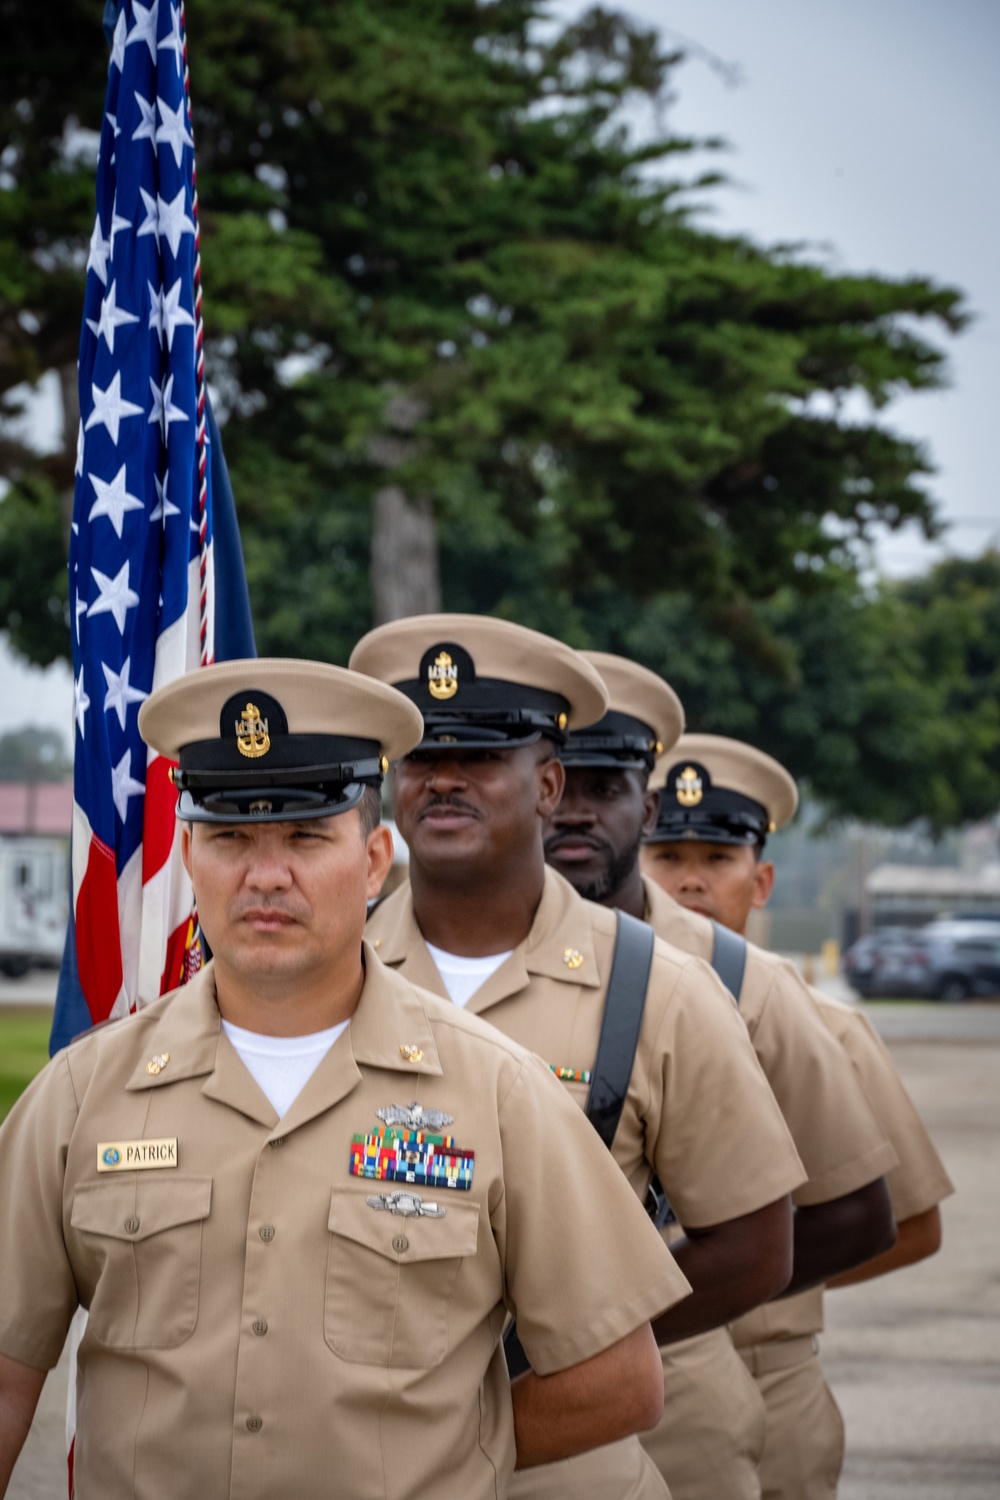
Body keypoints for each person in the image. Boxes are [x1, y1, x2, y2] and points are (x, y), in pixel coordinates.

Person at [0, 658, 690, 1500]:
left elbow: (618, 1379)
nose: (265, 877)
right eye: (230, 838)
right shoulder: (81, 1098)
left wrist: (434, 1457)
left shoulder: (499, 1094)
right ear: (188, 856)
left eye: (304, 837)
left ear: (371, 863)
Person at [350, 613, 809, 1500]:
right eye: (421, 759)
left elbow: (756, 1249)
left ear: (551, 782)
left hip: (564, 1462)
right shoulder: (328, 977)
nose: (444, 780)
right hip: (359, 1456)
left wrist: (562, 1351)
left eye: (481, 758)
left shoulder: (663, 992)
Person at [543, 654, 900, 1500]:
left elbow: (868, 1215)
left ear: (644, 801)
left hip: (697, 1377)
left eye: (609, 785)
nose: (579, 812)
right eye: (566, 785)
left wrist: (683, 1288)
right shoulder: (419, 965)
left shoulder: (738, 981)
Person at [642, 730, 955, 1500]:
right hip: (617, 1386)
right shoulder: (599, 1015)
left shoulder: (823, 1025)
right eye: (669, 859)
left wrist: (756, 1278)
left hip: (766, 1373)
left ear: (763, 879)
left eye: (717, 861)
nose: (691, 885)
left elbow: (911, 1224)